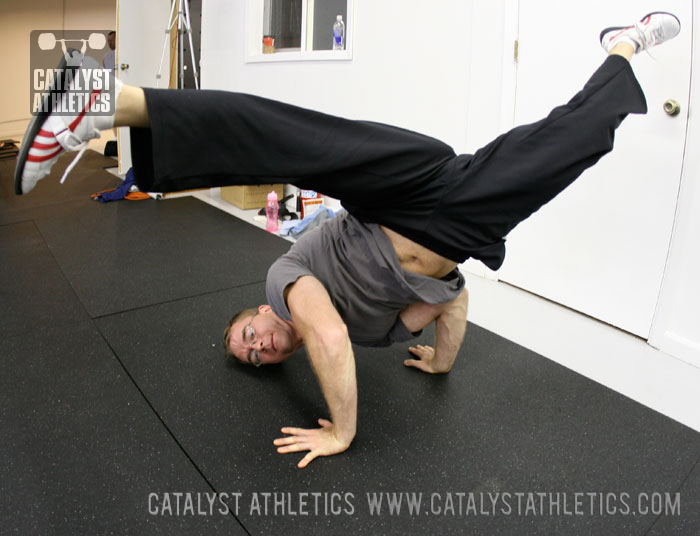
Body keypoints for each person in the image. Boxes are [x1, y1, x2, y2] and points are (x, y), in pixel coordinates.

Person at [15, 12, 680, 468]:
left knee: (293, 140)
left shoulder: (286, 284)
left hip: (388, 194)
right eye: (255, 359)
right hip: (455, 215)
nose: (258, 345)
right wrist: (444, 362)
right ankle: (624, 47)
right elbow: (449, 302)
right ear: (277, 361)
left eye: (245, 334)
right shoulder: (372, 333)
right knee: (577, 139)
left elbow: (328, 338)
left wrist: (341, 430)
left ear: (257, 313)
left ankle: (109, 98)